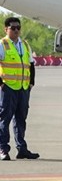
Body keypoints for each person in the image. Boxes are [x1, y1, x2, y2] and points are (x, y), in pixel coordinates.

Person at [0, 17, 39, 160]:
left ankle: (22, 148)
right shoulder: (2, 44)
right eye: (13, 28)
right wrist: (1, 83)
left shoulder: (25, 45)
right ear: (6, 29)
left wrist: (31, 83)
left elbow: (31, 64)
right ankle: (3, 149)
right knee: (5, 119)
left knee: (21, 119)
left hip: (23, 88)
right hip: (8, 87)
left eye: (18, 28)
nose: (16, 30)